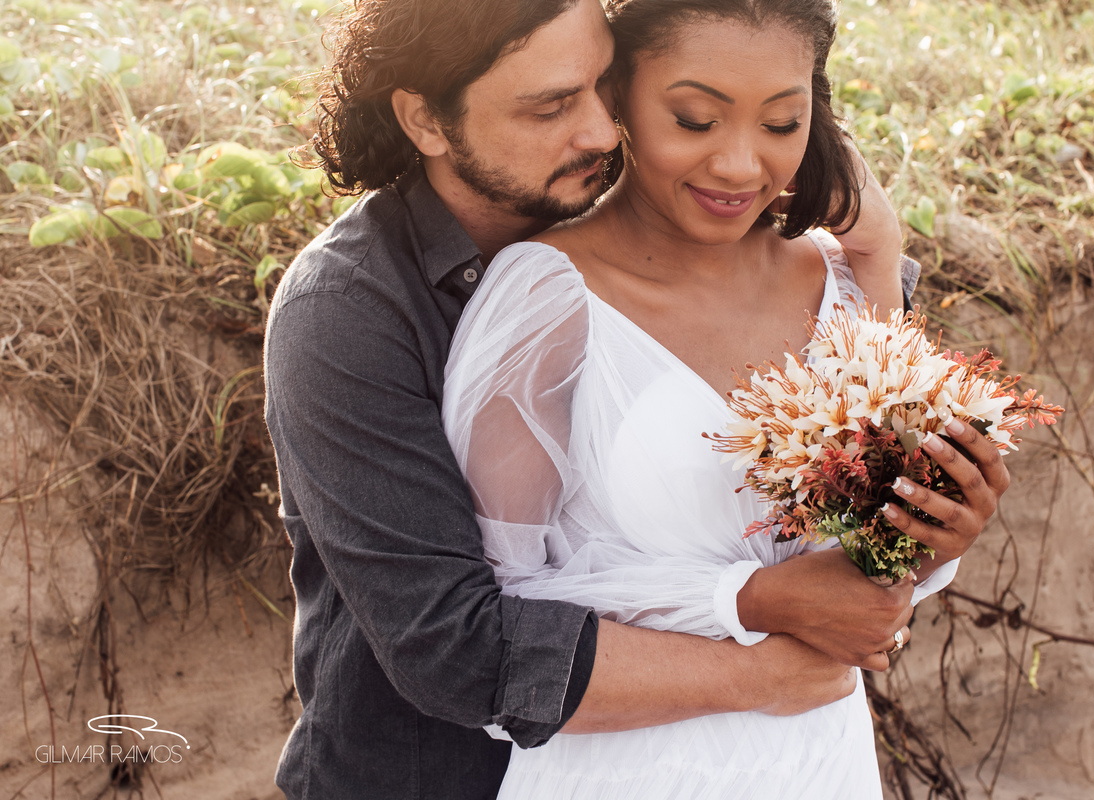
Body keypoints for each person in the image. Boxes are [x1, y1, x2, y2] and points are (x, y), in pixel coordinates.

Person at [264, 0, 1007, 796]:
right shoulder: (346, 311)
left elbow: (845, 569)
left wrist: (921, 538)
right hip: (439, 774)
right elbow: (459, 644)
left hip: (807, 759)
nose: (599, 131)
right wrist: (763, 644)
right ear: (426, 120)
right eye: (551, 105)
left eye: (604, 86)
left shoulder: (816, 268)